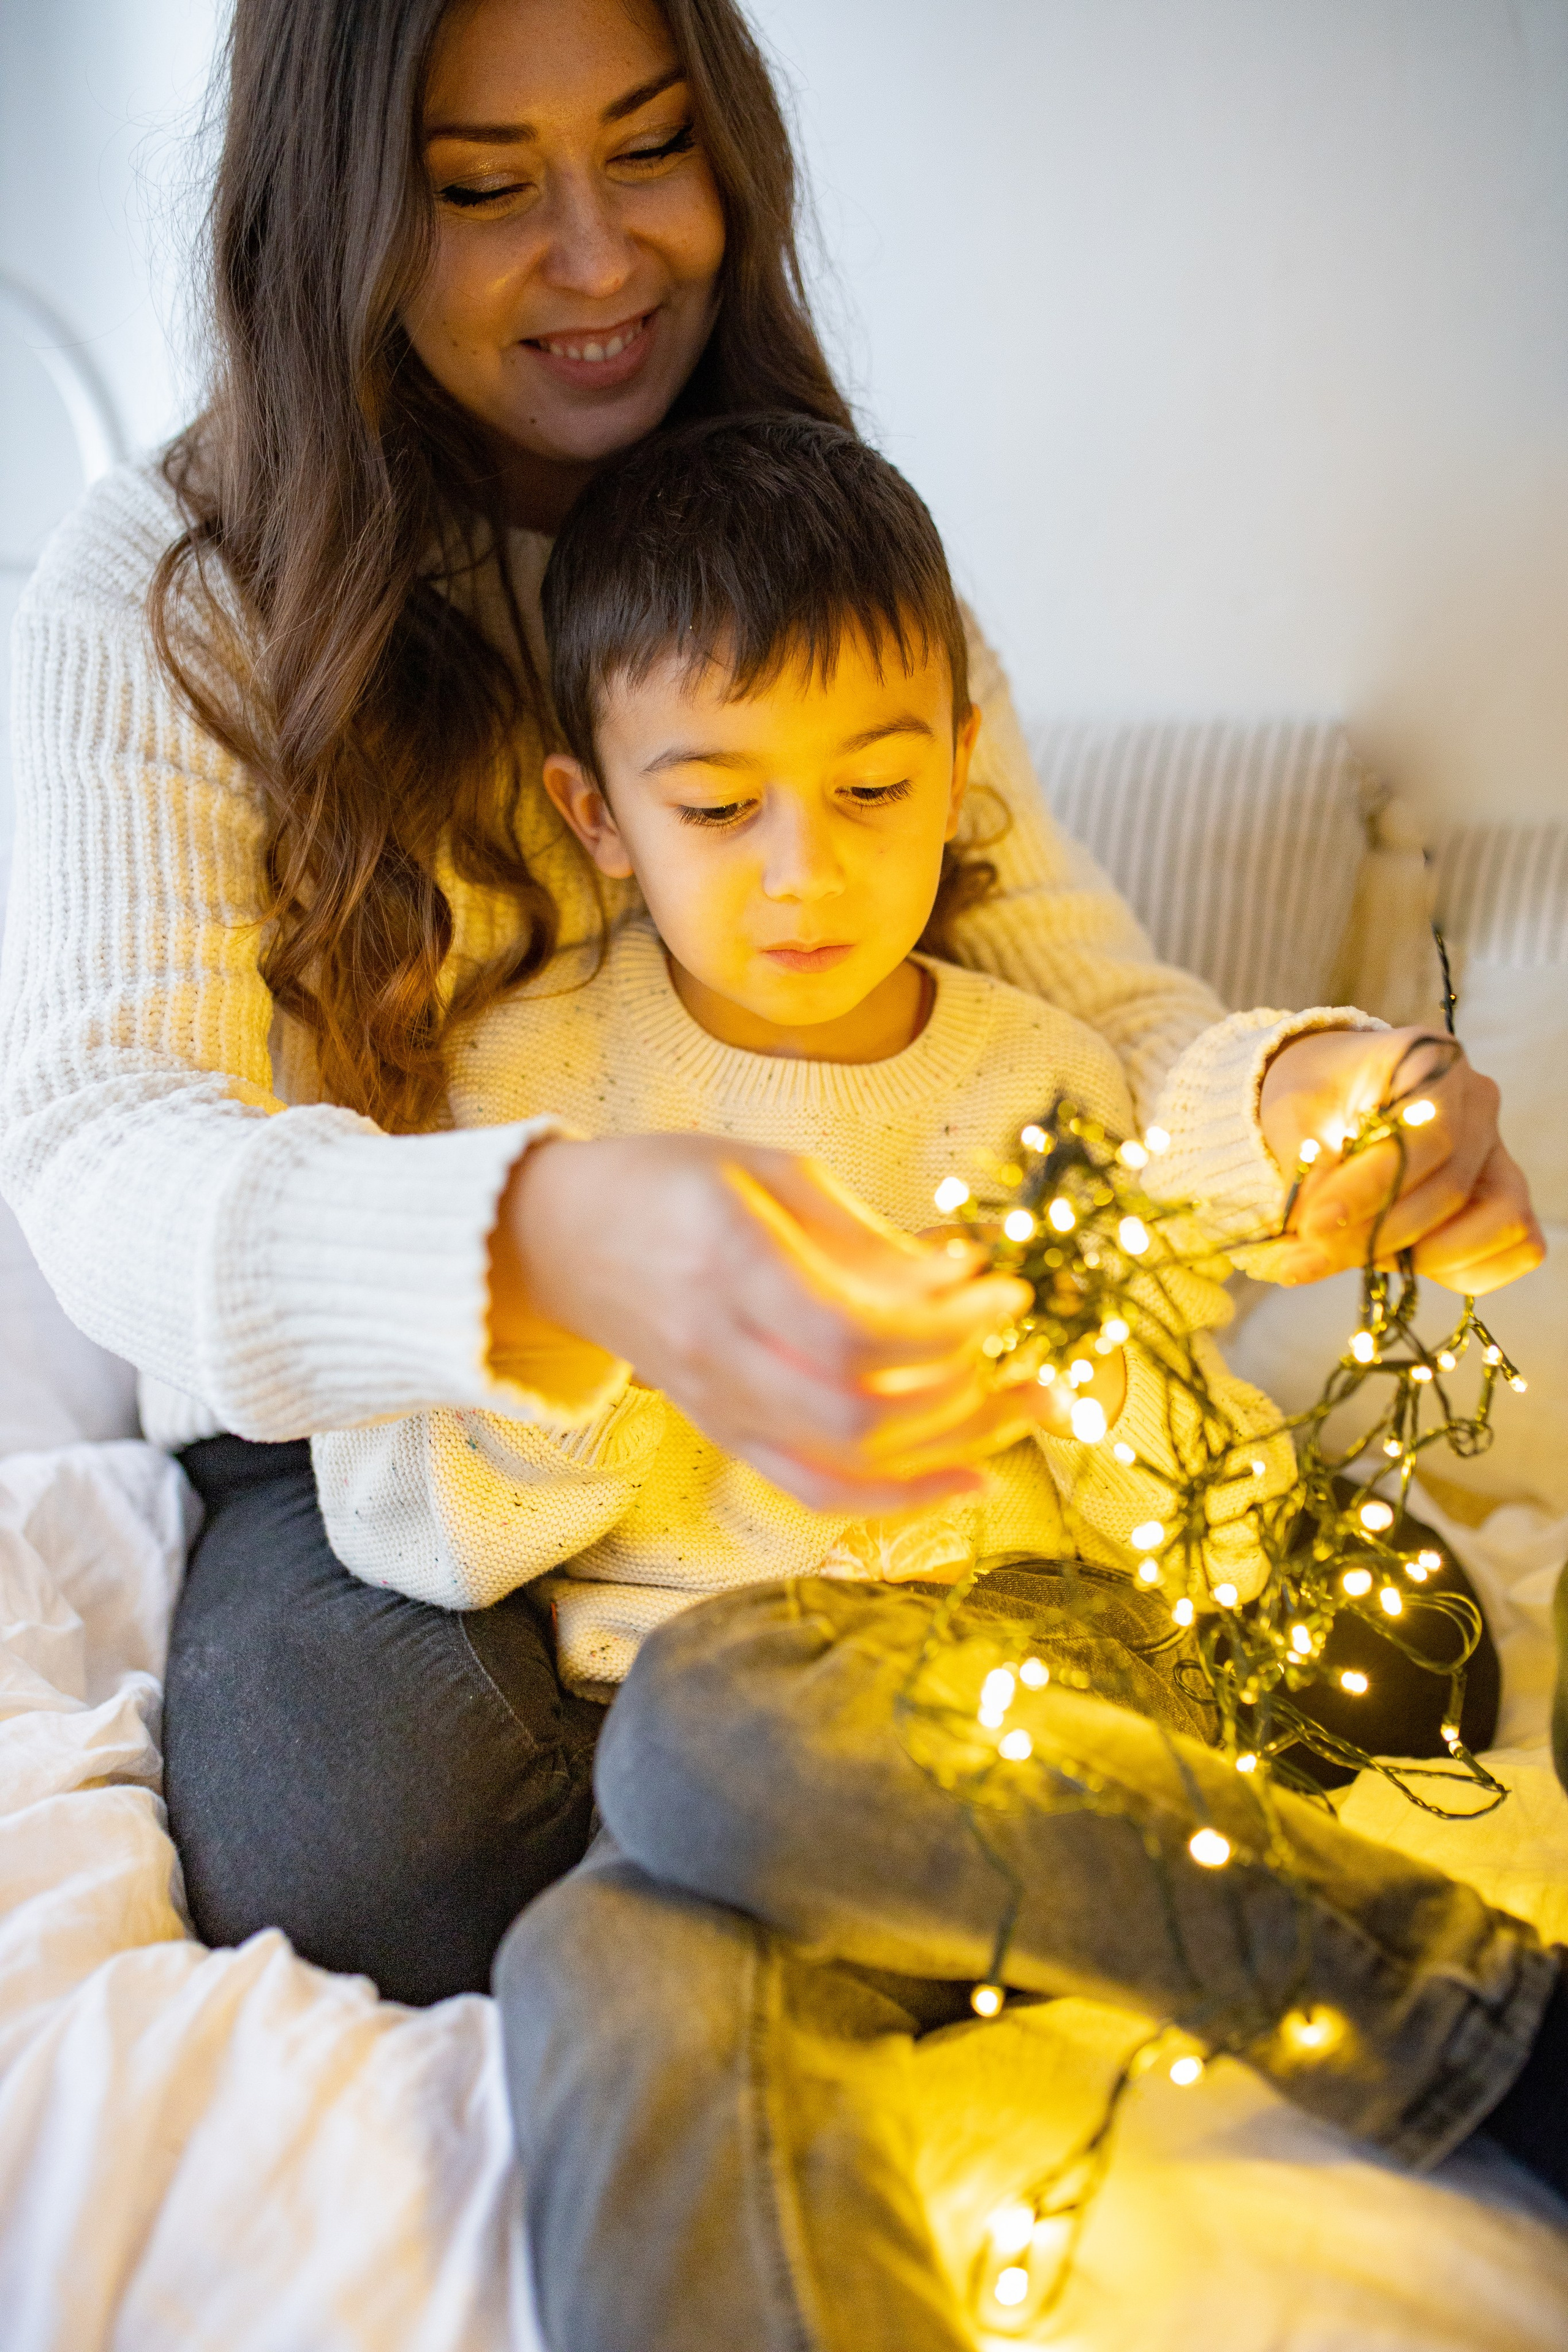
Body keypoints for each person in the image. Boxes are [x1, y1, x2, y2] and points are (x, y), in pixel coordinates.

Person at [0, 0, 1539, 2012]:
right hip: (389, 1437)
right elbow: (108, 1144)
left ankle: (810, 1839)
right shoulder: (179, 588)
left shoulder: (831, 551)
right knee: (393, 1837)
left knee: (1397, 1638)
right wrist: (542, 1239)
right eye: (482, 190)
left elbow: (1094, 1023)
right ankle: (866, 1850)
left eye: (649, 150)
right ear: (340, 218)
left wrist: (1323, 1093)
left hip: (842, 1456)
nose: (598, 254)